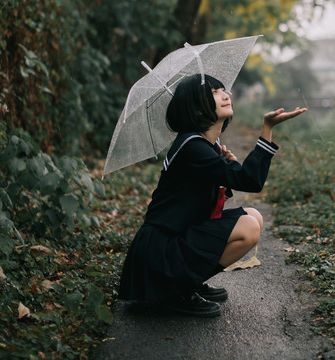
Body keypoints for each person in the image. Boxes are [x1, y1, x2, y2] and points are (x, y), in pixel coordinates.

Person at [118, 73, 307, 317]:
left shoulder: (205, 145)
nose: (225, 95)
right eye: (214, 93)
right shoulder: (192, 147)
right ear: (197, 109)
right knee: (248, 228)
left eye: (222, 90)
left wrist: (230, 163)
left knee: (254, 217)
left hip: (175, 239)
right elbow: (250, 181)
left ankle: (187, 280)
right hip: (160, 251)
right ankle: (176, 291)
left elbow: (227, 184)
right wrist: (267, 128)